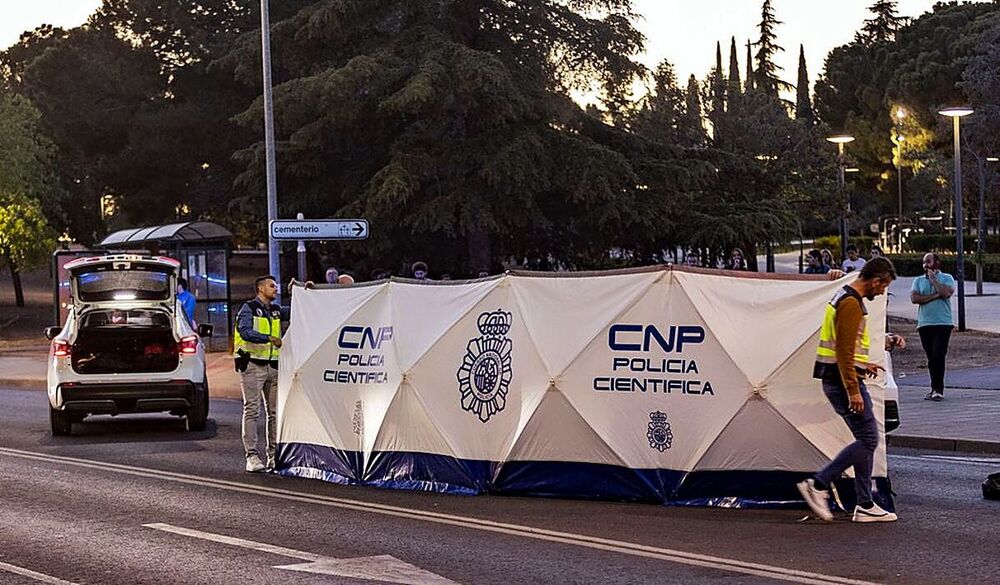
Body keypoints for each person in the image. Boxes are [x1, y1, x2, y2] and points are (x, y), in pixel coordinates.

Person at [798, 257, 899, 523]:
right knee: (868, 440)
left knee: (866, 441)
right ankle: (819, 484)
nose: (881, 292)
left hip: (840, 379)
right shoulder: (852, 303)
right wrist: (853, 389)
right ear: (875, 280)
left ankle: (865, 503)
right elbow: (842, 352)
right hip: (843, 383)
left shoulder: (844, 296)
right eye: (883, 286)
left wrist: (863, 364)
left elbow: (844, 348)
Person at [233, 275, 290, 473]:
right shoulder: (248, 309)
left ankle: (274, 456)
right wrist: (268, 338)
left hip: (273, 367)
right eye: (272, 286)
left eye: (277, 286)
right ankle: (252, 456)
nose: (276, 289)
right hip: (252, 366)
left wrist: (301, 292)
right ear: (260, 289)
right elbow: (245, 331)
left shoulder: (275, 310)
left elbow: (299, 311)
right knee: (252, 410)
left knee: (274, 413)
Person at [910, 252, 955, 401]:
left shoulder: (947, 278)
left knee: (938, 355)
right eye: (924, 262)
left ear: (937, 263)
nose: (925, 265)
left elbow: (946, 292)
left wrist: (934, 280)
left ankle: (938, 389)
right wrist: (935, 296)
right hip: (925, 323)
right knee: (931, 358)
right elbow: (915, 298)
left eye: (928, 262)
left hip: (943, 323)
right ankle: (933, 387)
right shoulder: (917, 280)